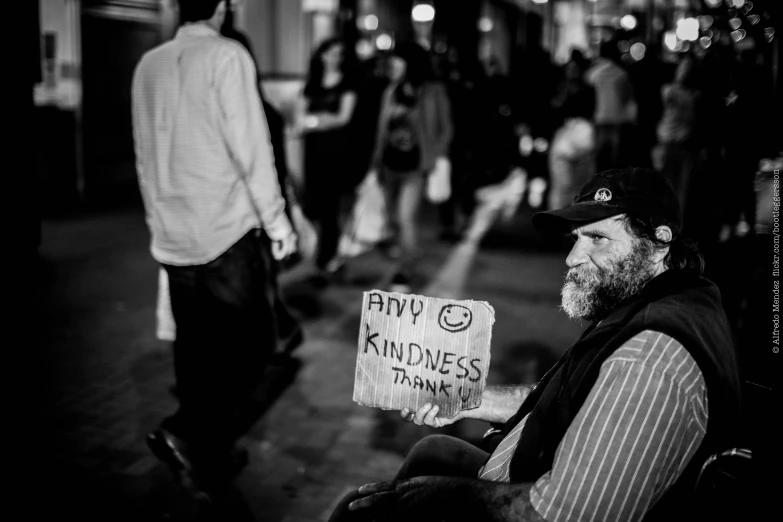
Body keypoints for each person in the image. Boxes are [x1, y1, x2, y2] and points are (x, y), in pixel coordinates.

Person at [328, 167, 741, 522]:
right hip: (531, 469)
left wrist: (446, 494)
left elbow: (565, 515)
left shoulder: (649, 360)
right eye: (576, 237)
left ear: (659, 241)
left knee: (361, 509)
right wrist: (463, 397)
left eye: (597, 238)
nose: (573, 257)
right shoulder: (659, 297)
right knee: (432, 450)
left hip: (540, 503)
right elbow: (562, 398)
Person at [131, 0, 297, 498]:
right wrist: (278, 220)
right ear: (223, 8)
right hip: (224, 229)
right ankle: (192, 432)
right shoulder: (227, 57)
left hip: (173, 232)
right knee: (250, 344)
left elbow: (143, 151)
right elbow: (252, 148)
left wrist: (155, 217)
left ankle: (203, 446)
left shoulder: (148, 64)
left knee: (193, 344)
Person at [368, 41, 453, 293]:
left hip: (415, 167)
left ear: (410, 64)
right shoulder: (390, 91)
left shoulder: (432, 91)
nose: (391, 66)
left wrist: (435, 156)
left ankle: (404, 271)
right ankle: (407, 253)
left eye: (397, 62)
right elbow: (381, 130)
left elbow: (446, 128)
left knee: (405, 218)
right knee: (393, 218)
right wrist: (375, 162)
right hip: (389, 165)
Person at [299, 37, 359, 281]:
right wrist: (321, 120)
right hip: (313, 149)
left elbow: (344, 118)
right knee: (314, 200)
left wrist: (315, 121)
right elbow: (300, 117)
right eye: (331, 53)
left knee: (330, 204)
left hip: (336, 150)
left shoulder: (347, 84)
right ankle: (318, 250)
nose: (335, 58)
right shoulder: (311, 82)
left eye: (339, 54)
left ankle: (328, 255)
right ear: (321, 55)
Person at [654, 55, 701, 229]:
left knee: (671, 183)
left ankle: (669, 221)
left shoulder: (669, 91)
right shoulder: (692, 95)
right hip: (680, 142)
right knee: (680, 185)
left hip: (672, 141)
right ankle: (674, 222)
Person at [586, 40, 637, 171]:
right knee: (615, 154)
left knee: (597, 152)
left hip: (599, 116)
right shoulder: (621, 74)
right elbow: (627, 97)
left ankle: (597, 180)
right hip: (617, 117)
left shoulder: (593, 74)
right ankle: (613, 181)